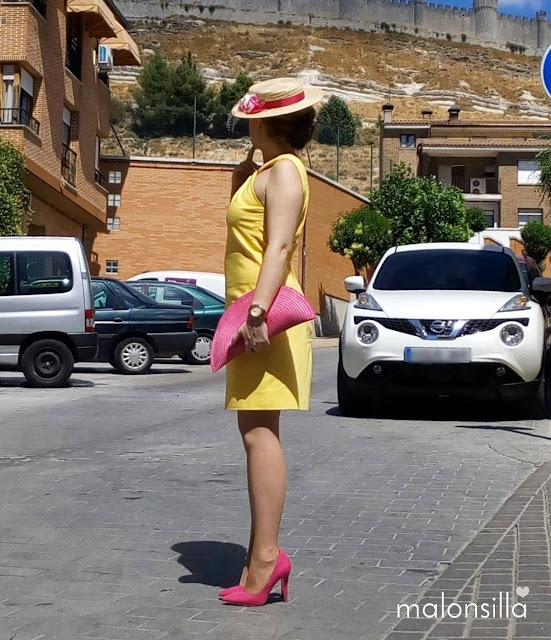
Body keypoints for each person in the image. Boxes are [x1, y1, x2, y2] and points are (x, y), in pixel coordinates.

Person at [219, 77, 323, 607]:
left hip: (265, 319)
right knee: (255, 432)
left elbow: (279, 246)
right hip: (249, 315)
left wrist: (258, 313)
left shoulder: (284, 172)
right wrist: (243, 173)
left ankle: (265, 560)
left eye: (251, 120)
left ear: (264, 122)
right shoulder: (266, 171)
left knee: (260, 434)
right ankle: (263, 555)